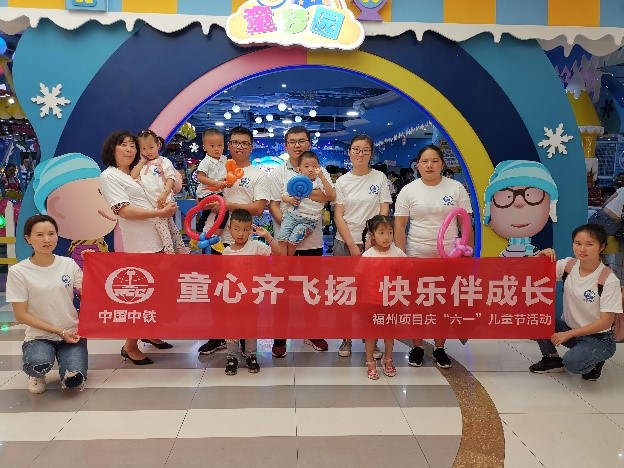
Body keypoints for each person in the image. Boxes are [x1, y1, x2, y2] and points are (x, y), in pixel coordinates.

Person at [99, 130, 178, 363]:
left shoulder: (136, 172)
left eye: (132, 146)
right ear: (112, 148)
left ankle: (150, 332)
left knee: (157, 293)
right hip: (141, 245)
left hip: (157, 239)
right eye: (123, 145)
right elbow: (124, 210)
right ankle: (130, 345)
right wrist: (159, 213)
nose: (129, 149)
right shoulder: (109, 176)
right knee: (142, 295)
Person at [394, 144, 473, 369]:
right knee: (417, 304)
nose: (429, 165)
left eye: (435, 161)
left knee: (443, 304)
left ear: (442, 164)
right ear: (417, 165)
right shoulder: (408, 190)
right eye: (425, 161)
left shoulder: (456, 188)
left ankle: (439, 348)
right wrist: (402, 256)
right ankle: (417, 347)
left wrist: (467, 253)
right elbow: (399, 226)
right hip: (416, 256)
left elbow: (465, 223)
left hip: (449, 258)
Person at [197, 126, 271, 355]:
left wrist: (228, 206)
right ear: (229, 145)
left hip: (246, 244)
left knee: (246, 294)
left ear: (252, 147)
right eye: (236, 142)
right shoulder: (217, 167)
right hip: (218, 241)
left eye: (245, 143)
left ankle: (247, 339)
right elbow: (202, 191)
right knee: (218, 291)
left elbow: (258, 208)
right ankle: (219, 336)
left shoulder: (258, 174)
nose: (240, 147)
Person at [267, 126, 334, 357]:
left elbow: (328, 196)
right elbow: (274, 203)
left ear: (309, 144)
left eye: (302, 141)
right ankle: (279, 337)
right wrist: (289, 224)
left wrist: (305, 197)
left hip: (313, 241)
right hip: (284, 243)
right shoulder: (277, 173)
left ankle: (312, 332)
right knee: (281, 292)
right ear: (286, 146)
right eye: (293, 141)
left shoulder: (319, 170)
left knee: (311, 290)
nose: (297, 145)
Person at [6, 214, 87, 394]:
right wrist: (59, 332)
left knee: (74, 381)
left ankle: (69, 365)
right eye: (39, 235)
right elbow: (21, 315)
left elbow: (91, 294)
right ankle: (37, 373)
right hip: (39, 336)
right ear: (28, 238)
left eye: (51, 234)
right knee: (38, 364)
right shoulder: (19, 272)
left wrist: (91, 263)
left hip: (71, 334)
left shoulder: (68, 264)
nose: (47, 240)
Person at [530, 224, 622, 381]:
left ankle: (596, 359)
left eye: (589, 244)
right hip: (570, 330)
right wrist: (539, 258)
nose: (582, 249)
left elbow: (606, 322)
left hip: (599, 338)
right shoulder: (568, 266)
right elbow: (531, 273)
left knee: (573, 364)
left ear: (601, 247)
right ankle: (552, 359)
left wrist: (569, 334)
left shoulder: (609, 279)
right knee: (534, 317)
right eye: (578, 243)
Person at [334, 134, 392, 358]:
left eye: (365, 150)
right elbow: (338, 215)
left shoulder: (379, 178)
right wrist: (352, 244)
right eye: (356, 149)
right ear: (349, 152)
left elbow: (383, 210)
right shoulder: (342, 181)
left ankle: (371, 340)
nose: (360, 153)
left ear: (371, 153)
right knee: (346, 292)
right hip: (344, 243)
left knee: (371, 295)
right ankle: (345, 338)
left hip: (373, 244)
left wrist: (372, 239)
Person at [32, 153, 118, 270]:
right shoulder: (81, 250)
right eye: (99, 193)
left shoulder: (99, 243)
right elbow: (84, 276)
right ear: (58, 207)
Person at [221, 208, 281, 375]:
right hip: (232, 299)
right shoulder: (226, 252)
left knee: (250, 326)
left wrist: (268, 237)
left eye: (245, 229)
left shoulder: (256, 247)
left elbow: (277, 253)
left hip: (251, 297)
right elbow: (225, 276)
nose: (241, 233)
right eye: (236, 229)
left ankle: (251, 356)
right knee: (231, 327)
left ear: (251, 229)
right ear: (229, 229)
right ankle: (231, 356)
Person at [360, 215, 406, 379]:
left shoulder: (397, 252)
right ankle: (370, 361)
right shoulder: (368, 255)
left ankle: (388, 360)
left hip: (391, 301)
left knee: (389, 332)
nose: (386, 237)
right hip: (372, 302)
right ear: (372, 234)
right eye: (381, 233)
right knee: (370, 333)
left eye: (390, 232)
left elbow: (408, 269)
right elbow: (359, 277)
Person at [131, 129, 189, 254]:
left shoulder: (163, 161)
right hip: (154, 203)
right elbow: (132, 176)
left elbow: (171, 178)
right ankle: (180, 247)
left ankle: (169, 251)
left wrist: (164, 194)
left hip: (164, 199)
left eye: (151, 147)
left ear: (158, 144)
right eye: (144, 148)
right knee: (170, 224)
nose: (148, 151)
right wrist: (142, 161)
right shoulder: (143, 165)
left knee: (161, 225)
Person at [276, 151, 335, 256]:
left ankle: (287, 260)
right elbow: (284, 196)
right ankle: (284, 261)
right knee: (281, 237)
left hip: (309, 220)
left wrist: (322, 177)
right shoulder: (295, 180)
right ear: (299, 169)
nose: (310, 169)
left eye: (314, 166)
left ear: (319, 167)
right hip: (291, 216)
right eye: (306, 166)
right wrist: (290, 200)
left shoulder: (319, 181)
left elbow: (330, 195)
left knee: (293, 240)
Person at [195, 128, 229, 237]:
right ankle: (216, 235)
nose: (216, 149)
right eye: (212, 146)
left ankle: (200, 233)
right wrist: (215, 183)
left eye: (219, 145)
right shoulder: (206, 162)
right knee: (223, 210)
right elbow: (200, 177)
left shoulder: (224, 159)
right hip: (206, 193)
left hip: (217, 192)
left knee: (209, 214)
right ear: (205, 147)